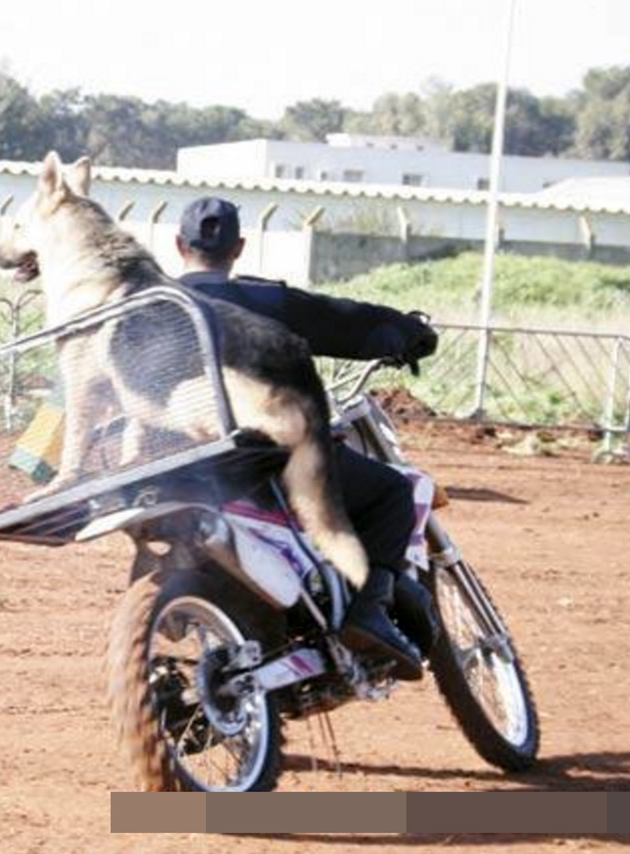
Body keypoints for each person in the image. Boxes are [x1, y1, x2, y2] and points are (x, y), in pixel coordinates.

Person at [175, 196, 439, 680]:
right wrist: (409, 332)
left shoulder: (148, 307)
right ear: (238, 248)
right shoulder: (262, 301)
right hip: (261, 459)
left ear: (178, 246)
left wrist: (37, 462)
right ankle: (370, 613)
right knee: (392, 493)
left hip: (181, 468)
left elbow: (86, 379)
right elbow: (345, 320)